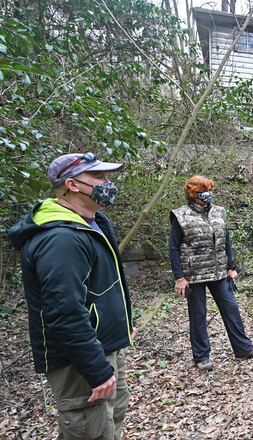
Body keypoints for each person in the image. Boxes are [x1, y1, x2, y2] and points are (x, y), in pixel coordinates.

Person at [9, 152, 133, 439]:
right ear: (72, 185)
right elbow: (64, 312)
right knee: (90, 429)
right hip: (80, 360)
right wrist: (96, 369)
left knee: (111, 420)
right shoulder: (61, 238)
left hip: (104, 346)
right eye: (99, 177)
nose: (107, 183)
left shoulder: (94, 223)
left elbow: (105, 284)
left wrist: (124, 326)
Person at [169, 176, 253, 371]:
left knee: (231, 309)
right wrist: (179, 277)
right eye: (203, 190)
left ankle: (243, 349)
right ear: (192, 194)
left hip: (219, 271)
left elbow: (225, 240)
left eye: (210, 189)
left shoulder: (219, 212)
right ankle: (201, 358)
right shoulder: (181, 215)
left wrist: (231, 266)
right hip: (193, 274)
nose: (208, 194)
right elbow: (173, 248)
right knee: (198, 315)